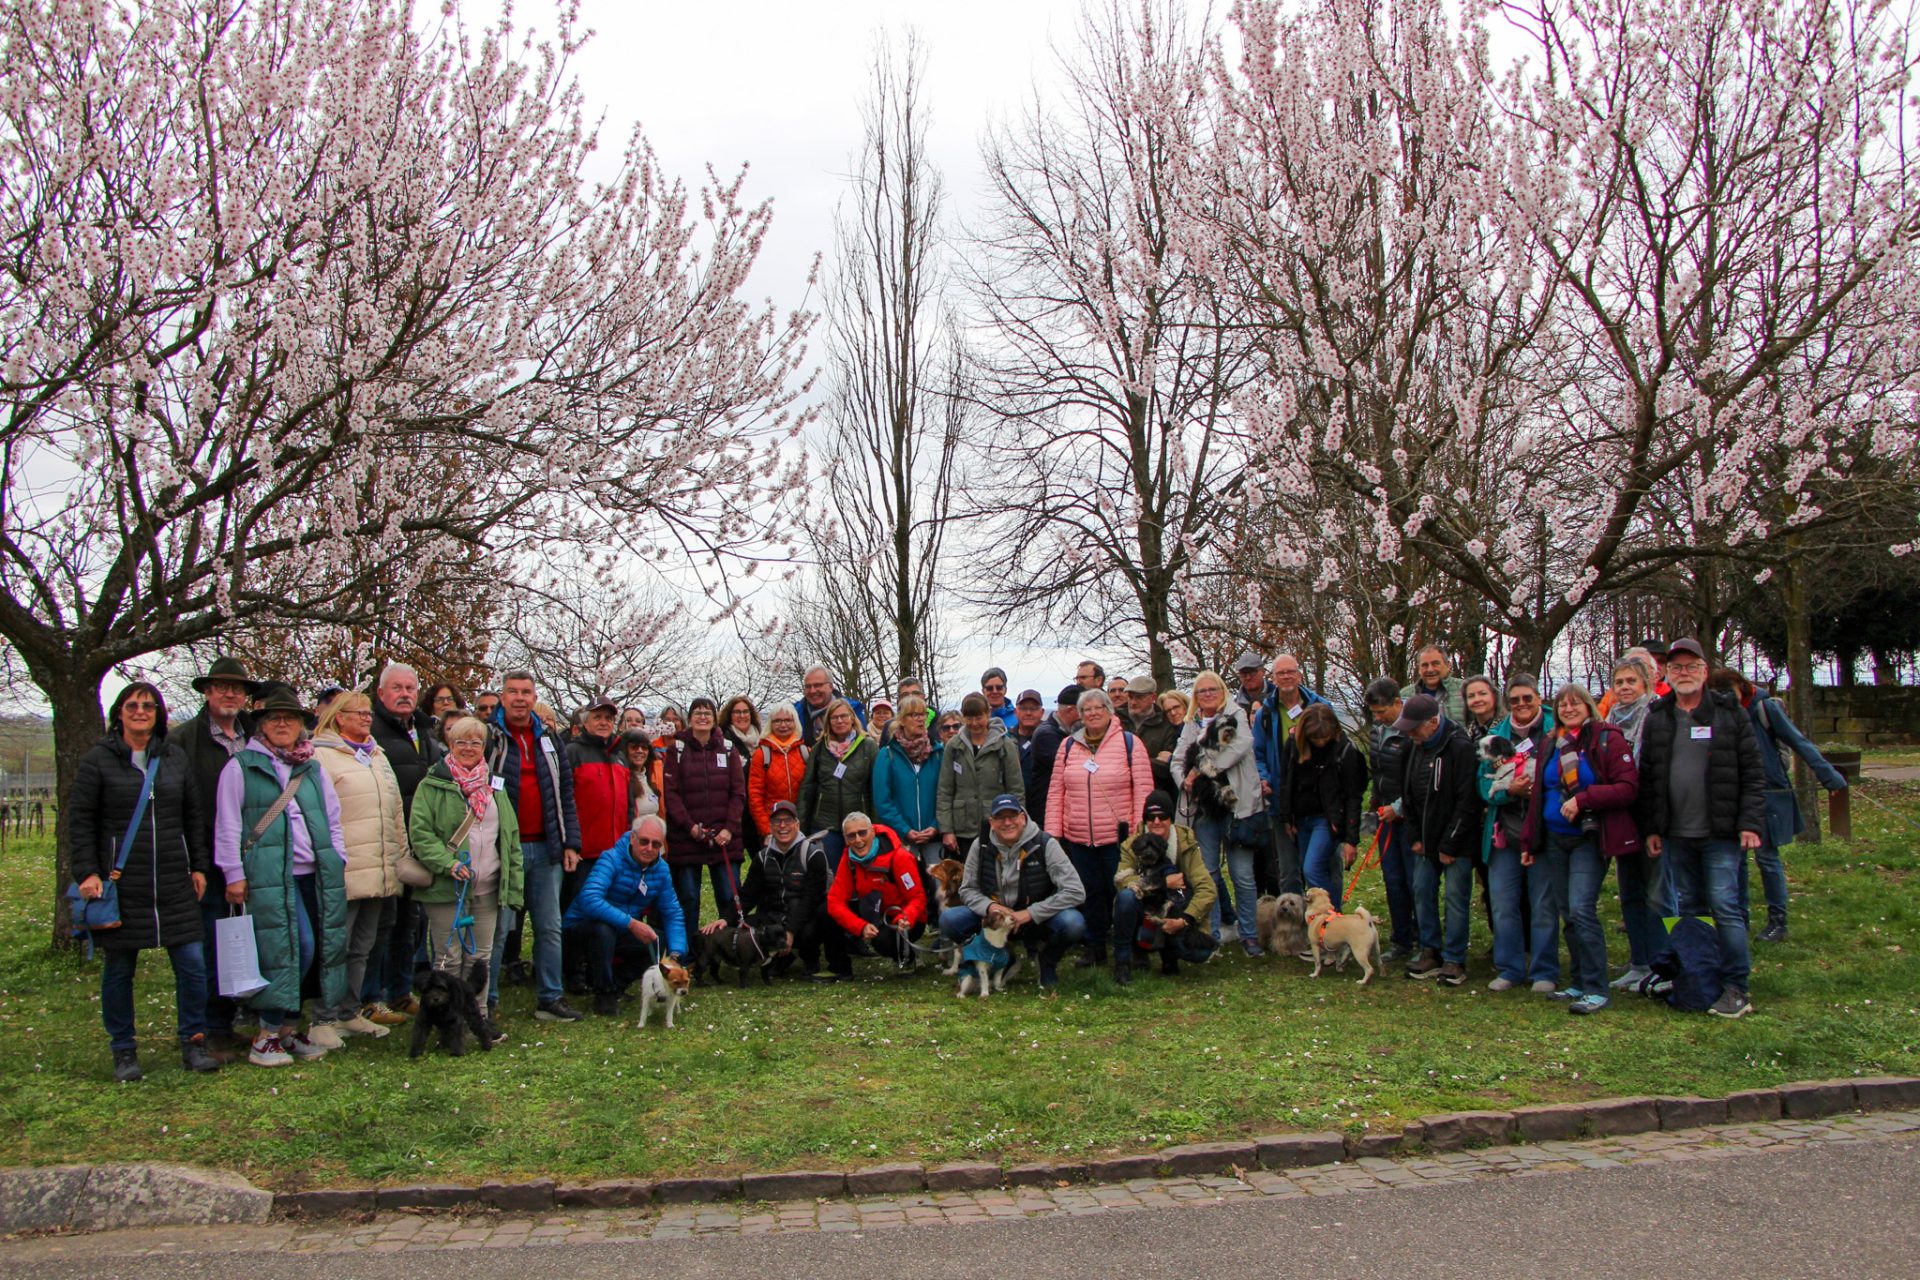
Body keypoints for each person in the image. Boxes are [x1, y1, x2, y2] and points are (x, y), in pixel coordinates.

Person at [70, 682, 219, 1081]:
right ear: (119, 712)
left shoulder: (173, 758)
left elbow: (192, 815)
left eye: (149, 706)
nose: (140, 711)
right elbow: (80, 821)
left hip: (173, 877)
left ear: (158, 713)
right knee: (119, 969)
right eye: (133, 705)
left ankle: (194, 1040)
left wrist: (199, 866)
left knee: (191, 965)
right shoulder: (98, 761)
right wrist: (86, 873)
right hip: (124, 881)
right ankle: (123, 1050)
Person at [216, 687, 350, 1067]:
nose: (282, 724)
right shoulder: (242, 767)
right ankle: (266, 1033)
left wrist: (336, 856)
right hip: (273, 875)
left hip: (316, 872)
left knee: (319, 948)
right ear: (262, 725)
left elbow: (331, 817)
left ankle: (290, 1029)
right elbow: (228, 824)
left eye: (289, 719)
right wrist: (233, 872)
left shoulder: (310, 768)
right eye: (274, 718)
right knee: (293, 949)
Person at [1637, 638, 1767, 1018]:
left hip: (1721, 832)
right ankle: (1701, 977)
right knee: (1690, 908)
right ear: (1667, 674)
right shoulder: (1659, 716)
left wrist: (1750, 822)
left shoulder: (1729, 714)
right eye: (1676, 668)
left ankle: (1736, 987)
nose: (1684, 673)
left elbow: (1753, 773)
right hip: (1677, 833)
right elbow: (1650, 778)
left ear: (1705, 672)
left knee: (1726, 906)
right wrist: (1653, 828)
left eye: (1691, 667)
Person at [1518, 684, 1639, 1014]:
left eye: (1575, 704)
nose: (1568, 709)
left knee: (1583, 908)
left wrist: (1584, 799)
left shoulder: (1606, 738)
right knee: (1567, 912)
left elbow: (1627, 787)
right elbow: (1539, 795)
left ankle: (1597, 988)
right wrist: (1529, 840)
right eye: (1562, 705)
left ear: (1589, 706)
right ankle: (1579, 981)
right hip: (1555, 838)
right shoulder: (1551, 743)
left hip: (1589, 837)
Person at [1710, 668, 1848, 943]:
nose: (1728, 701)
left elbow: (1798, 740)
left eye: (1731, 694)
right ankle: (1739, 918)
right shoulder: (1716, 711)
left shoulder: (1764, 707)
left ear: (1742, 687)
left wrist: (1829, 776)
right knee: (1735, 860)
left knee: (1767, 858)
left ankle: (1778, 921)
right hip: (1732, 794)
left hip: (1769, 791)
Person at [408, 715, 522, 1045]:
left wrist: (512, 882)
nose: (469, 748)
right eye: (461, 742)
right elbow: (421, 833)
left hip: (488, 885)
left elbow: (509, 835)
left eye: (476, 742)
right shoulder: (433, 785)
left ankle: (479, 1018)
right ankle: (448, 1022)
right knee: (450, 957)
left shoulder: (495, 786)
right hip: (449, 889)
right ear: (450, 745)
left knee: (480, 959)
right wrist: (447, 864)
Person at [485, 670, 584, 1023]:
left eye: (526, 692)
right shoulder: (490, 737)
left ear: (533, 696)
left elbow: (565, 794)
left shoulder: (548, 739)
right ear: (502, 696)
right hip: (502, 849)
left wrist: (571, 842)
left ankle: (550, 997)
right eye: (512, 692)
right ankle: (486, 1001)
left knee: (549, 926)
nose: (520, 698)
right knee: (499, 929)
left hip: (546, 848)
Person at [308, 692, 407, 1043]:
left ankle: (349, 1011)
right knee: (336, 944)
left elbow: (395, 811)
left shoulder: (376, 755)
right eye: (359, 713)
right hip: (345, 867)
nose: (367, 718)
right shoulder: (321, 755)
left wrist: (401, 855)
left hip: (380, 866)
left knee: (362, 945)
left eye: (368, 713)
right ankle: (323, 1017)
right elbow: (317, 813)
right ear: (339, 717)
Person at [176, 656, 259, 1056]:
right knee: (209, 945)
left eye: (237, 688)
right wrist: (194, 860)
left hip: (255, 857)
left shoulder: (253, 736)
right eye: (222, 686)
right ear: (207, 691)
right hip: (207, 859)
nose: (230, 694)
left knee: (241, 942)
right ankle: (207, 1028)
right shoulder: (184, 740)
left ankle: (230, 1020)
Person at [1045, 688, 1155, 969]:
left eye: (1098, 708)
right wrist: (1053, 833)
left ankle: (1130, 947)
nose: (1092, 713)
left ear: (1110, 711)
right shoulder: (1068, 746)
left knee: (1125, 895)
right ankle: (1095, 947)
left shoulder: (1130, 744)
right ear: (1079, 715)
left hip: (1119, 838)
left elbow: (1143, 790)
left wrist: (1138, 832)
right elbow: (1056, 792)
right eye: (1086, 709)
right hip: (1079, 837)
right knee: (1089, 893)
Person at [942, 793, 1087, 993]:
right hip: (995, 921)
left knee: (1073, 923)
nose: (1007, 822)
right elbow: (967, 889)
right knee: (950, 919)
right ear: (991, 822)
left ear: (1023, 818)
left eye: (1013, 816)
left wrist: (1031, 913)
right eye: (1000, 818)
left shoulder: (1045, 844)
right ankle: (992, 959)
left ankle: (1048, 962)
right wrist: (991, 907)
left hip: (1036, 919)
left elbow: (1076, 891)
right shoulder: (980, 845)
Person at [367, 662, 446, 1024]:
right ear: (381, 693)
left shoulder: (424, 732)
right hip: (383, 843)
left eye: (410, 689)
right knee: (380, 924)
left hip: (419, 844)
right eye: (396, 688)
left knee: (409, 925)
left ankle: (400, 991)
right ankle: (370, 997)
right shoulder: (373, 732)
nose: (404, 694)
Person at [1170, 671, 1264, 952]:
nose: (1207, 694)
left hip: (1237, 806)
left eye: (1212, 689)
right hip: (1203, 808)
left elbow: (1237, 750)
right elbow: (1177, 760)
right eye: (1201, 691)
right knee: (1207, 873)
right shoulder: (1192, 723)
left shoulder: (1237, 717)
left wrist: (1199, 770)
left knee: (1242, 874)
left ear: (1223, 691)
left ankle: (1249, 933)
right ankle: (1211, 932)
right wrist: (1184, 783)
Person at [1394, 694, 1480, 986]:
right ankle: (1430, 949)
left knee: (1456, 899)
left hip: (1456, 842)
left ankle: (1455, 958)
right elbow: (1407, 795)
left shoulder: (1460, 748)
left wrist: (1450, 844)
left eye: (1415, 728)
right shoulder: (1412, 748)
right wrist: (1415, 836)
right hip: (1424, 841)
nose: (1411, 734)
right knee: (1422, 891)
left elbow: (1467, 800)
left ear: (1433, 722)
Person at [562, 813, 687, 1015]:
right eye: (644, 841)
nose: (649, 848)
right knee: (603, 930)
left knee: (658, 941)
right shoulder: (610, 859)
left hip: (619, 928)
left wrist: (676, 953)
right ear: (632, 838)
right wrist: (632, 924)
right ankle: (603, 994)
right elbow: (590, 899)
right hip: (581, 930)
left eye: (656, 845)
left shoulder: (661, 870)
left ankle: (615, 985)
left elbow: (672, 912)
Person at [1476, 674, 1553, 991]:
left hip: (1544, 832)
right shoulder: (1497, 734)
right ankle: (1509, 968)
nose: (1522, 704)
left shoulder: (1555, 729)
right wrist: (1510, 793)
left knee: (1542, 903)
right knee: (1503, 903)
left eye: (1528, 698)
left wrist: (1534, 791)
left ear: (1538, 698)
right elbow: (1483, 784)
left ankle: (1544, 969)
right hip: (1503, 832)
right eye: (1516, 699)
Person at [1606, 653, 1670, 988]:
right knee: (1630, 892)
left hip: (1650, 818)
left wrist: (1655, 825)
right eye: (1619, 682)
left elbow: (1658, 774)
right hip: (1622, 819)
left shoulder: (1657, 716)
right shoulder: (1612, 719)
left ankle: (1664, 961)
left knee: (1658, 894)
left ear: (1646, 683)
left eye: (1631, 681)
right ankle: (1639, 960)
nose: (1625, 687)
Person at [660, 696, 747, 936]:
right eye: (697, 713)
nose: (702, 717)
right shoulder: (676, 750)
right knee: (688, 896)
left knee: (729, 896)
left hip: (724, 838)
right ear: (689, 719)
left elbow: (738, 792)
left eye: (707, 713)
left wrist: (729, 828)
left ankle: (731, 945)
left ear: (714, 718)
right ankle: (689, 950)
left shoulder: (728, 749)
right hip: (687, 837)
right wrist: (690, 827)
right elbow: (672, 794)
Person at [1111, 790, 1218, 982]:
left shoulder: (1186, 843)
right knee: (1126, 897)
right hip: (1142, 909)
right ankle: (1123, 962)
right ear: (1145, 820)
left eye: (1163, 816)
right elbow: (1122, 881)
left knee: (1199, 952)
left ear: (1171, 818)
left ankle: (1170, 956)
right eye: (1151, 817)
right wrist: (1161, 884)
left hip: (1175, 909)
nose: (1157, 821)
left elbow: (1207, 889)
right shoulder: (1131, 844)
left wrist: (1184, 920)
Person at [564, 695, 632, 993]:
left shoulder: (620, 756)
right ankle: (573, 972)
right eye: (597, 717)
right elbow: (565, 801)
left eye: (608, 717)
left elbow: (628, 803)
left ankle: (599, 971)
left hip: (614, 853)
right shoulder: (572, 753)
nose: (603, 722)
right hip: (584, 853)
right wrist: (571, 843)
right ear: (585, 722)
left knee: (609, 915)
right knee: (579, 915)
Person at [1276, 704, 1369, 912]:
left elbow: (1354, 796)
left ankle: (1329, 917)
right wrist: (1286, 817)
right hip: (1301, 817)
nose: (1320, 742)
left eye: (1324, 737)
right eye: (1315, 738)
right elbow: (1286, 782)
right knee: (1314, 868)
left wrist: (1351, 839)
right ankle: (1331, 918)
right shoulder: (1293, 745)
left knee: (1312, 868)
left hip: (1328, 819)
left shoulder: (1345, 750)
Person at [738, 801, 845, 980]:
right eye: (776, 822)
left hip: (804, 915)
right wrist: (726, 919)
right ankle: (774, 959)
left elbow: (811, 898)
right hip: (774, 915)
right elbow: (748, 894)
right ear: (770, 827)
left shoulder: (813, 854)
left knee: (817, 921)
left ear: (797, 824)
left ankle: (811, 960)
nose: (782, 826)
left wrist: (790, 931)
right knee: (746, 928)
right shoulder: (762, 857)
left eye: (787, 820)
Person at [1253, 653, 1329, 897]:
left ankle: (1328, 922)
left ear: (1299, 674)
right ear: (1273, 679)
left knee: (1320, 866)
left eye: (1290, 672)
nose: (1286, 677)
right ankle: (1294, 927)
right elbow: (1258, 753)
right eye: (1280, 673)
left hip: (1317, 800)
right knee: (1288, 870)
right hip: (1281, 799)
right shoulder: (1264, 714)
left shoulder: (1319, 706)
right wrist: (1265, 778)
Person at [1358, 679, 1418, 963]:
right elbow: (1378, 774)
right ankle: (1402, 939)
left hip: (1409, 816)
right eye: (1374, 713)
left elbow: (1418, 779)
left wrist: (1400, 807)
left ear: (1398, 703)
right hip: (1384, 816)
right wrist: (1375, 808)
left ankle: (1424, 939)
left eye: (1382, 711)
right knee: (1393, 880)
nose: (1378, 717)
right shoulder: (1376, 731)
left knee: (1413, 879)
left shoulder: (1412, 732)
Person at [825, 812, 927, 970]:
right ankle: (839, 967)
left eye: (862, 833)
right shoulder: (848, 859)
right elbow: (834, 901)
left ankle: (908, 955)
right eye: (851, 836)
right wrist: (859, 926)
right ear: (845, 839)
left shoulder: (899, 857)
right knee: (825, 912)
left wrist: (905, 918)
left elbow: (917, 898)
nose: (858, 840)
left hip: (903, 917)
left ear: (872, 832)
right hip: (872, 912)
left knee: (883, 942)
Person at [939, 693, 1025, 864]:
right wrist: (947, 830)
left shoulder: (1004, 745)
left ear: (988, 714)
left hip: (998, 826)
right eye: (969, 718)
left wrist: (1018, 825)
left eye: (979, 717)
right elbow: (945, 791)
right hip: (963, 829)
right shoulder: (954, 747)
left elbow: (1016, 789)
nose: (974, 723)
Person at [797, 698, 877, 869]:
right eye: (834, 718)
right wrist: (802, 826)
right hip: (826, 824)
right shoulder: (820, 748)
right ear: (829, 722)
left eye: (844, 716)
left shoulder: (868, 746)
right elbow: (808, 787)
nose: (839, 721)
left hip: (859, 825)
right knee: (829, 875)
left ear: (852, 718)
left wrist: (875, 825)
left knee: (861, 873)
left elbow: (875, 788)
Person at [873, 694, 943, 867]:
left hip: (934, 839)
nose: (920, 719)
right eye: (914, 715)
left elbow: (947, 793)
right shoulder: (887, 755)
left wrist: (936, 826)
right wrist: (905, 830)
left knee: (939, 891)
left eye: (923, 714)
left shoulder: (938, 753)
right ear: (902, 720)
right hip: (901, 839)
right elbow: (882, 801)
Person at [747, 705, 808, 838]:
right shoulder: (762, 754)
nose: (783, 725)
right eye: (777, 721)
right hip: (773, 825)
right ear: (770, 724)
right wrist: (766, 829)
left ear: (795, 722)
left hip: (801, 824)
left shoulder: (805, 752)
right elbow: (755, 796)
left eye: (788, 720)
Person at [1026, 686, 1081, 826]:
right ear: (1071, 710)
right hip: (1047, 811)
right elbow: (1073, 767)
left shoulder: (1063, 731)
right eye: (1084, 710)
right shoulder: (1046, 735)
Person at [719, 695, 765, 853]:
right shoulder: (723, 740)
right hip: (736, 811)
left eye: (745, 711)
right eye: (737, 712)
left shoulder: (761, 739)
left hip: (757, 810)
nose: (742, 716)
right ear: (729, 716)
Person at [1125, 676, 1180, 796]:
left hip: (1154, 795)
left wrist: (1126, 762)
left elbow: (1167, 768)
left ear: (1153, 698)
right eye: (1130, 697)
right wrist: (1152, 761)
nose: (1133, 702)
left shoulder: (1166, 726)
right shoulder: (1117, 721)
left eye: (1139, 697)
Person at [794, 665, 866, 747]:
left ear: (831, 687)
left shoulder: (854, 710)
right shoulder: (795, 714)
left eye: (818, 685)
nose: (812, 691)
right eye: (808, 686)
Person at [1401, 646, 1467, 723]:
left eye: (1435, 664)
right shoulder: (1405, 695)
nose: (1430, 669)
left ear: (1448, 666)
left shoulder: (1465, 689)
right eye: (1425, 665)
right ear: (1419, 669)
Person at [622, 730, 662, 823]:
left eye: (644, 748)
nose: (640, 751)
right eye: (634, 747)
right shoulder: (622, 779)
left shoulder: (649, 778)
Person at [1012, 689, 1046, 791]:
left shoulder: (1050, 739)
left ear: (1042, 712)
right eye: (1023, 708)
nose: (1028, 713)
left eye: (1033, 709)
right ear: (1015, 712)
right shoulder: (1006, 738)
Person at [1460, 676, 1502, 743]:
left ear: (1494, 696)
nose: (1477, 699)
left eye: (1483, 693)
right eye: (1471, 696)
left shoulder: (1507, 728)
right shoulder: (1465, 735)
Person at [1230, 651, 1268, 718]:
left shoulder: (1278, 697)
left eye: (1252, 672)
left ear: (1263, 672)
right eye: (1244, 674)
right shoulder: (1233, 708)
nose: (1248, 677)